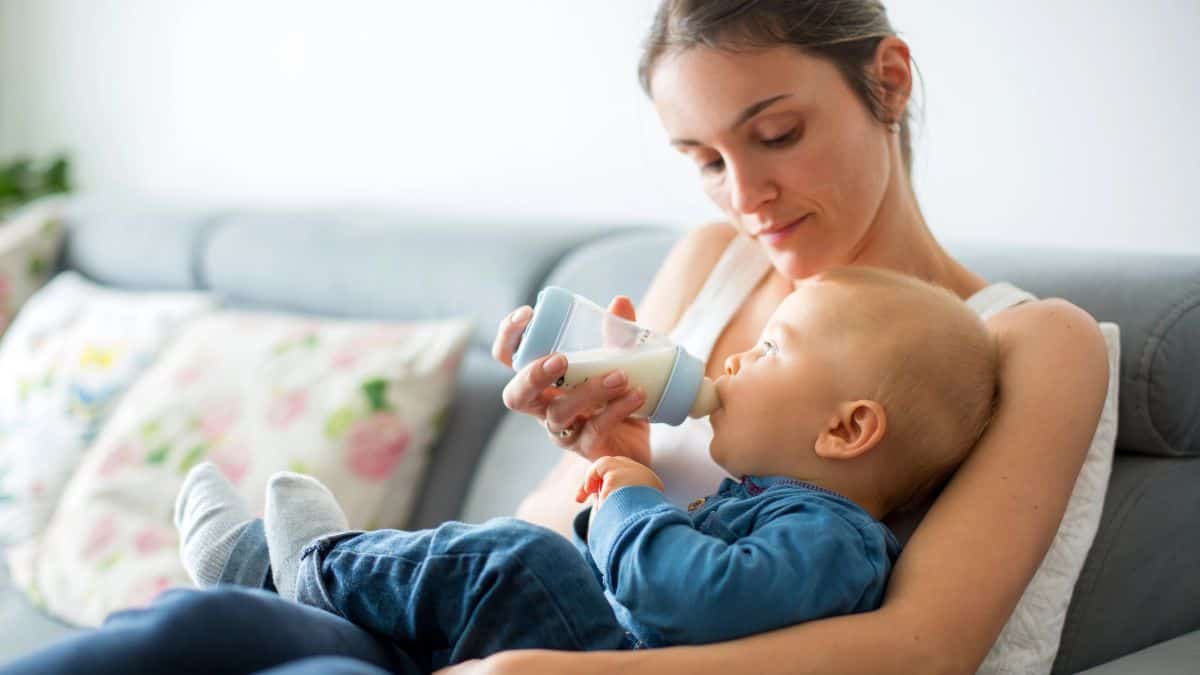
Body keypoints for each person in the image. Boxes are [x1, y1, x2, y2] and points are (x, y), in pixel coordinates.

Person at [0, 1, 1111, 674]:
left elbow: (922, 651)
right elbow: (549, 527)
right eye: (704, 159)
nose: (747, 196)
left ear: (889, 79)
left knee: (231, 648)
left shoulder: (1027, 341)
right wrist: (586, 444)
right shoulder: (712, 265)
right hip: (509, 620)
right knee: (203, 631)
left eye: (775, 134)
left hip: (594, 663)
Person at [171, 266, 997, 673]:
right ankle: (285, 583)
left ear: (849, 428)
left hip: (608, 662)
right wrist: (617, 464)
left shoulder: (835, 539)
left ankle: (307, 569)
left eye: (772, 350)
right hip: (589, 651)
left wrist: (634, 500)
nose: (738, 358)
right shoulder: (775, 508)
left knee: (521, 561)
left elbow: (688, 598)